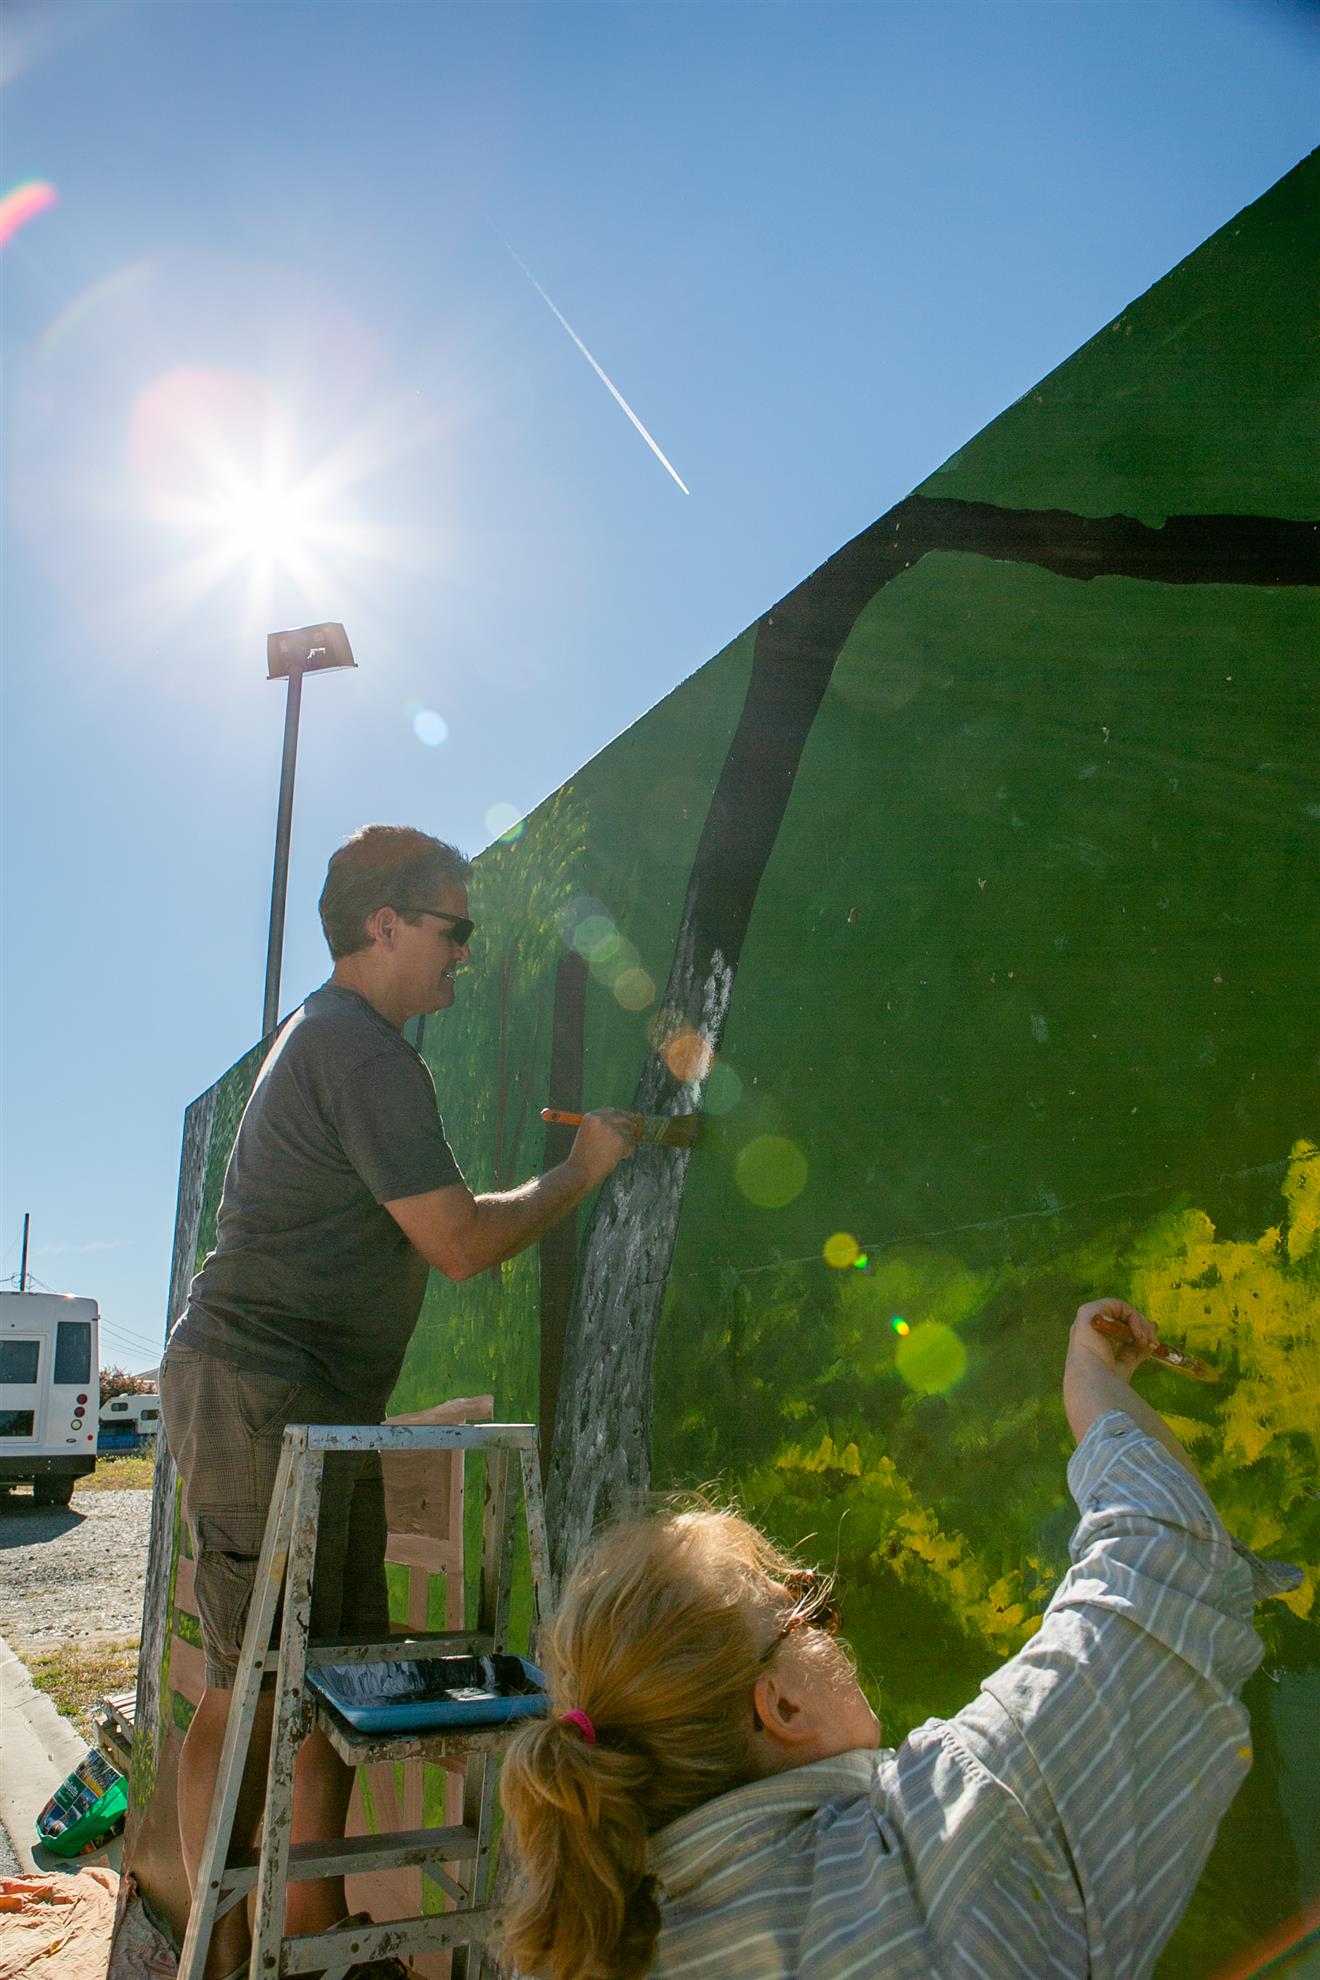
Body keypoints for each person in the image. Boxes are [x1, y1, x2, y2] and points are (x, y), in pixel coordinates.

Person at [159, 824, 636, 1979]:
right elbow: (460, 1242)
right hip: (259, 1389)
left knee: (317, 1678)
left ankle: (302, 1941)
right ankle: (229, 1955)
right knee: (252, 1681)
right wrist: (583, 1174)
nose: (462, 957)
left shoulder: (328, 1042)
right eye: (452, 930)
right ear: (385, 926)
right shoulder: (362, 1051)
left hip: (302, 1405)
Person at [498, 1297, 1297, 1980]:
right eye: (807, 1609)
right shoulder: (940, 1840)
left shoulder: (612, 1942)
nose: (835, 1631)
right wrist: (1089, 1383)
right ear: (778, 1704)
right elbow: (1164, 1556)